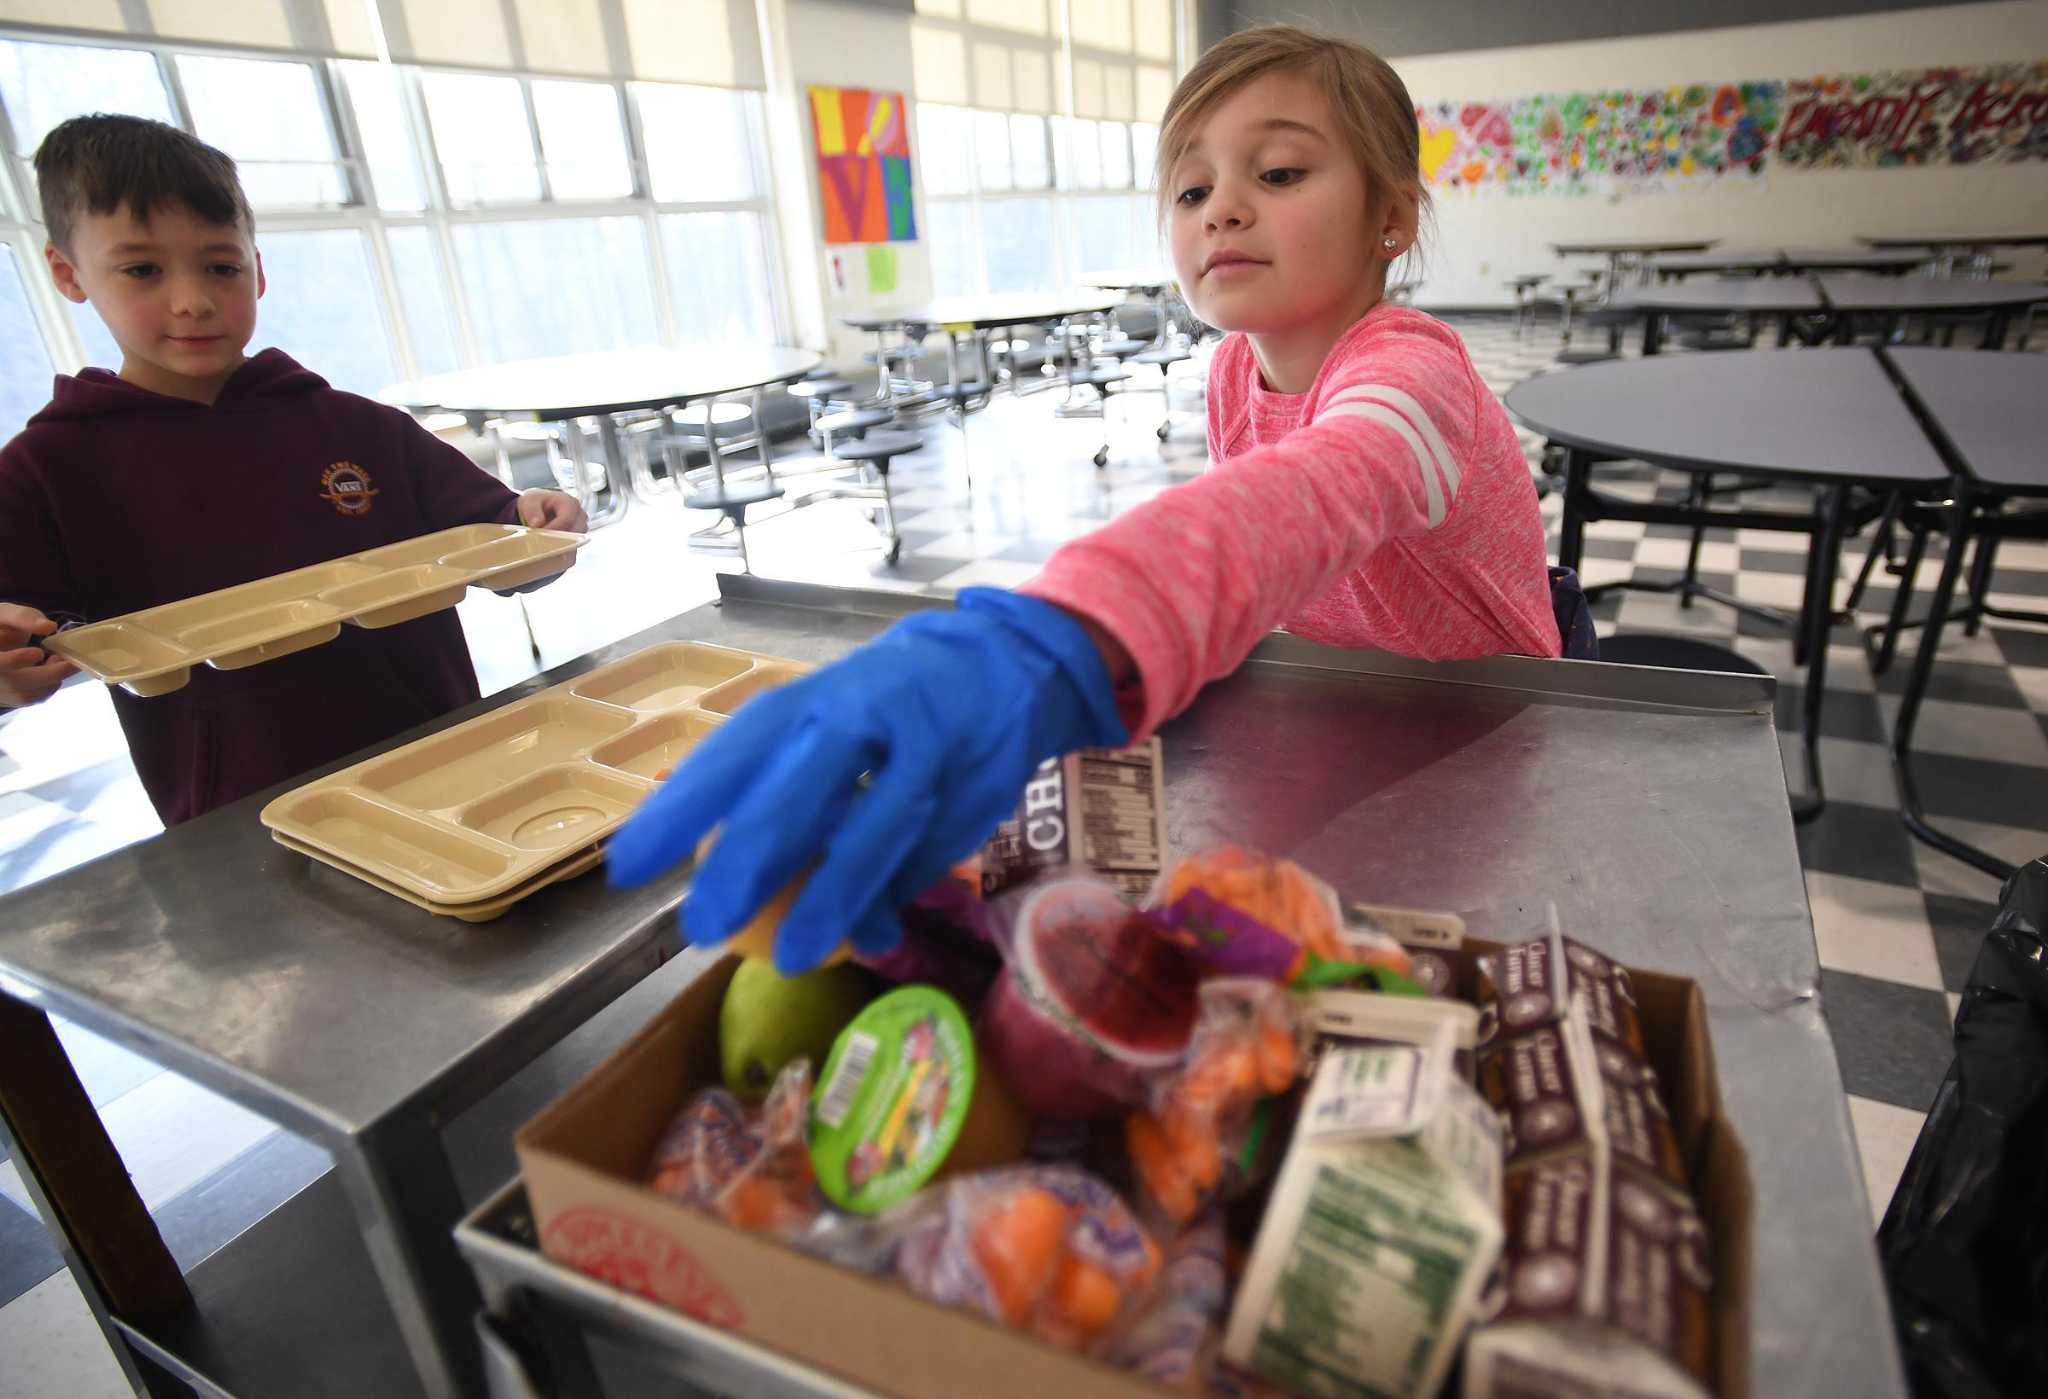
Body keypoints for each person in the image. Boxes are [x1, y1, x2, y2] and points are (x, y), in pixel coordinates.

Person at [609, 25, 1561, 971]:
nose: (1222, 208)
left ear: (1390, 218)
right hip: (1340, 712)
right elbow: (1250, 554)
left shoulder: (1415, 373)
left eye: (1276, 173)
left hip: (1490, 723)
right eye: (1192, 189)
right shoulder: (1233, 371)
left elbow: (1328, 484)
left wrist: (1058, 634)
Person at [0, 114, 587, 825]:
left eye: (222, 265)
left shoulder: (355, 427)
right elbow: (22, 635)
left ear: (259, 268)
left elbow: (501, 534)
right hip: (242, 813)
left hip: (447, 765)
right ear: (68, 273)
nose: (193, 299)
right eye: (142, 269)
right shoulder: (48, 469)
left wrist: (538, 522)